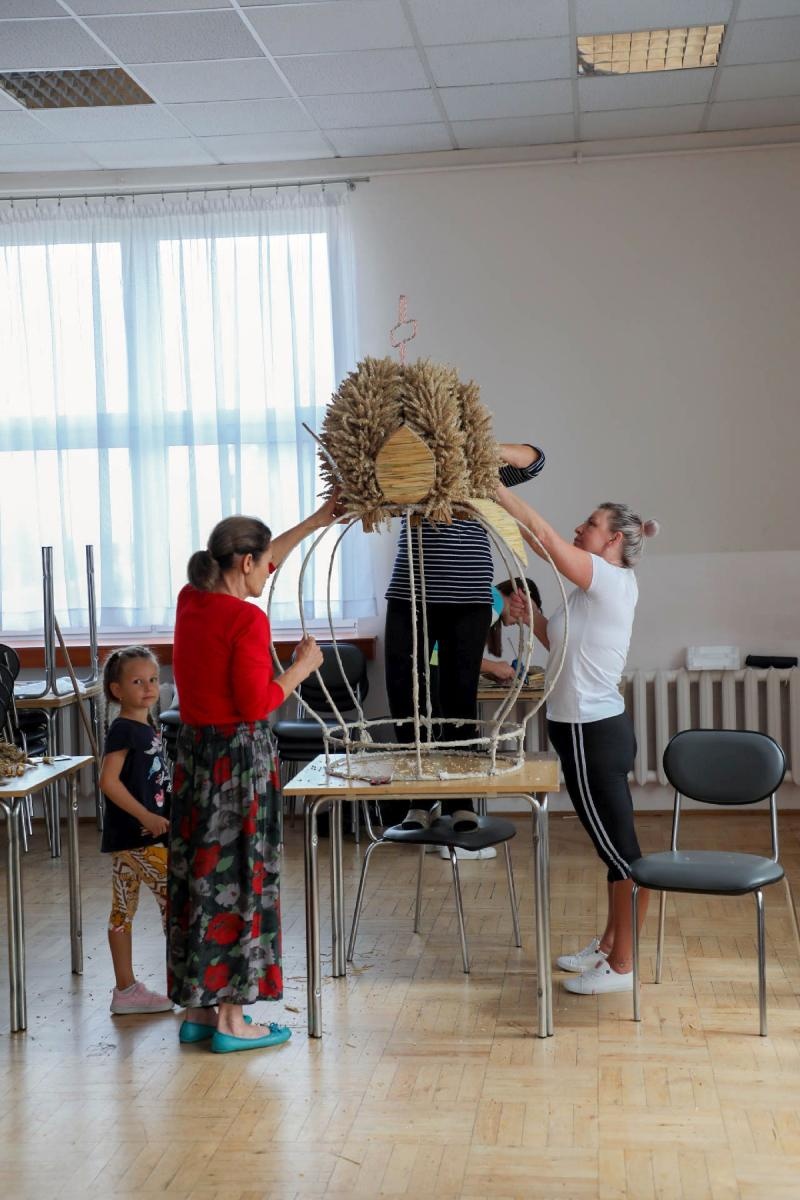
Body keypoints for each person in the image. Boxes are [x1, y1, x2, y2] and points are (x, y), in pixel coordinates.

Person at [168, 500, 339, 1053]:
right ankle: (233, 1021)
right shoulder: (247, 619)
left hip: (195, 758)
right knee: (240, 878)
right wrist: (302, 667)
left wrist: (317, 521)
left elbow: (263, 559)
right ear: (244, 563)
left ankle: (198, 1009)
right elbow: (257, 705)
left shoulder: (192, 599)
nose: (271, 572)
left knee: (200, 877)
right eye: (264, 565)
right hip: (237, 764)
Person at [497, 486, 660, 994]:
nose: (577, 529)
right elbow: (562, 645)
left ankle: (622, 966)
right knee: (610, 844)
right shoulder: (591, 590)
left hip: (593, 731)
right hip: (580, 728)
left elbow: (543, 537)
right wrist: (533, 621)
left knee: (621, 852)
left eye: (589, 524)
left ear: (612, 539)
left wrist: (496, 488)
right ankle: (611, 944)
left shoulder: (609, 579)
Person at [385, 444, 545, 832]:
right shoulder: (411, 466)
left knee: (459, 702)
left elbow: (535, 462)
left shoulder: (479, 470)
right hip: (410, 596)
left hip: (468, 599)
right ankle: (419, 803)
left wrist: (480, 447)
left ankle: (462, 803)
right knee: (407, 700)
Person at [99, 645, 173, 1016]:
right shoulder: (124, 730)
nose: (148, 687)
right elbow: (108, 782)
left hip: (133, 838)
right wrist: (146, 816)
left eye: (153, 679)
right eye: (137, 681)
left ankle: (125, 990)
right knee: (176, 899)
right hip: (139, 837)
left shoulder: (147, 725)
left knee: (121, 912)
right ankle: (186, 984)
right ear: (117, 690)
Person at [480, 576, 542, 684]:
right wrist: (493, 667)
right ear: (518, 596)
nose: (521, 623)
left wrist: (491, 672)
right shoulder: (495, 605)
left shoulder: (492, 595)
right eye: (526, 609)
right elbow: (457, 654)